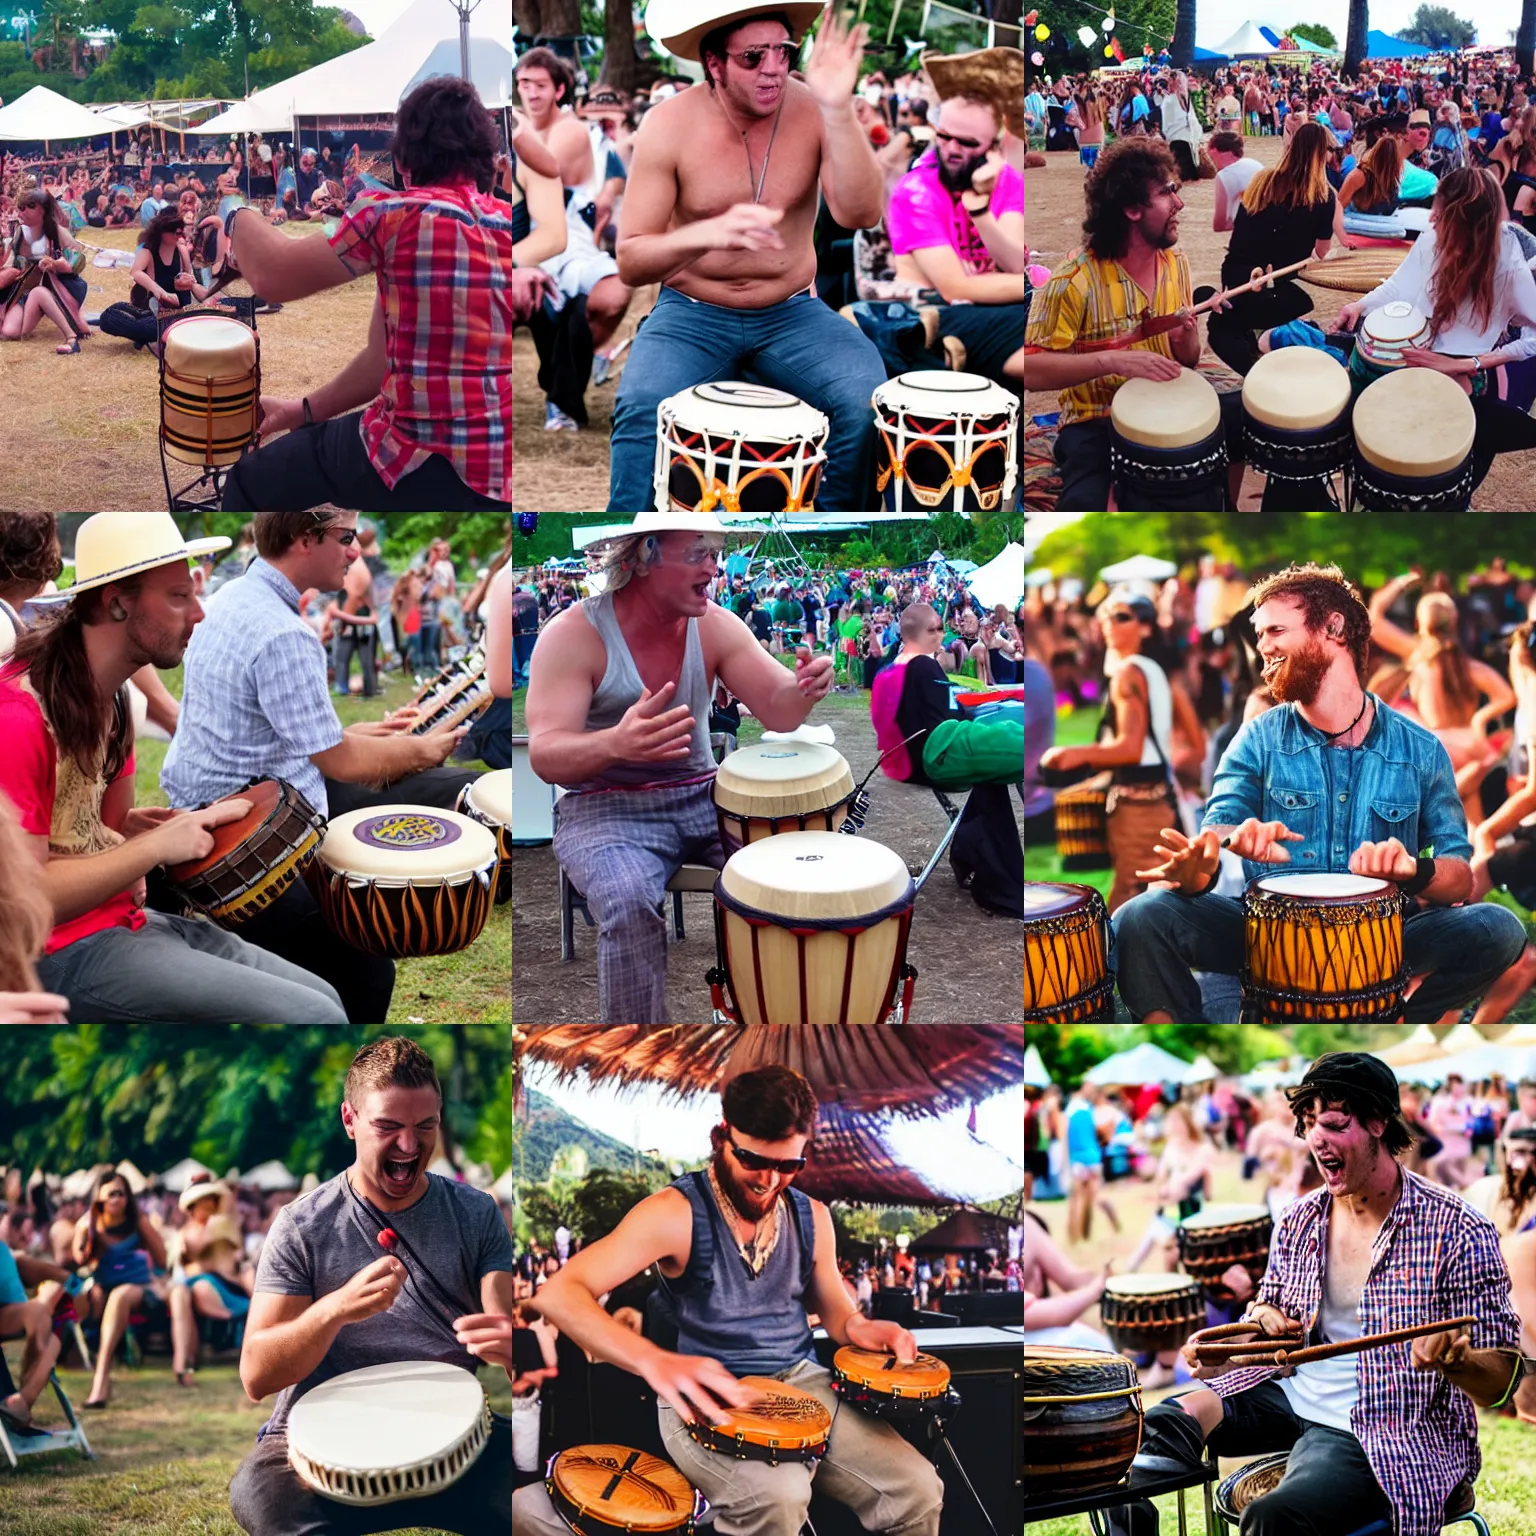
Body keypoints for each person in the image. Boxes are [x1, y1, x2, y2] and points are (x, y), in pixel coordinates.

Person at [513, 1065, 944, 1536]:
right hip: (702, 1393)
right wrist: (656, 1361)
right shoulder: (676, 1213)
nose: (769, 1180)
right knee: (777, 1499)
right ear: (722, 1137)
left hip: (804, 1384)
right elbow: (560, 1293)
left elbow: (840, 1315)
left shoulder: (812, 1217)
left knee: (918, 1490)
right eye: (753, 1160)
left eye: (788, 1166)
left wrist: (863, 1328)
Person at [1107, 1053, 1522, 1536]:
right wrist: (1259, 1318)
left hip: (1379, 1423)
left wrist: (1457, 1360)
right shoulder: (1301, 1217)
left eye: (1334, 1123)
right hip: (1289, 1392)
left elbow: (1502, 1381)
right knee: (1145, 1434)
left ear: (1378, 1123)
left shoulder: (1458, 1227)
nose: (1316, 1138)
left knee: (1274, 1518)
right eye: (1308, 1125)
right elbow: (1270, 1303)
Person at [1113, 562, 1527, 1024]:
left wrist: (1412, 868)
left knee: (1499, 927)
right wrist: (1204, 864)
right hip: (1265, 935)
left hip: (1385, 938)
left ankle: (1403, 1022)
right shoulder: (1259, 737)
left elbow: (1459, 878)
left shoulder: (1420, 749)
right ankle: (1180, 1044)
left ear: (1333, 628)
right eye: (1259, 633)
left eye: (1275, 630)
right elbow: (1218, 832)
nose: (1262, 645)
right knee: (1140, 916)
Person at [0, 512, 349, 1026]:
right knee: (313, 1017)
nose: (201, 614)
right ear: (117, 602)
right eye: (179, 597)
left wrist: (148, 828)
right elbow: (25, 903)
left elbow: (107, 828)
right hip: (56, 952)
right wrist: (155, 847)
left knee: (326, 998)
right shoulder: (18, 715)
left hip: (125, 921)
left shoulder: (115, 697)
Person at [158, 512, 488, 1025]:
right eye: (346, 537)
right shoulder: (284, 632)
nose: (356, 551)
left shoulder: (229, 600)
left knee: (437, 787)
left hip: (234, 805)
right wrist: (421, 748)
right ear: (304, 539)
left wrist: (371, 736)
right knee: (367, 971)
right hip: (245, 838)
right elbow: (339, 761)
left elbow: (283, 738)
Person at [524, 512, 834, 1023]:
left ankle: (785, 1023)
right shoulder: (573, 633)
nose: (714, 567)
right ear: (644, 555)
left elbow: (778, 707)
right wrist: (615, 744)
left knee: (802, 869)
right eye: (698, 553)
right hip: (604, 810)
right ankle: (640, 1056)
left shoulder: (714, 623)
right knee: (627, 905)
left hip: (704, 796)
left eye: (714, 553)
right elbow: (546, 754)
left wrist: (803, 690)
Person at [602, 0, 888, 513]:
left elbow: (860, 213)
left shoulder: (815, 110)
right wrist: (708, 233)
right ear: (714, 64)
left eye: (784, 52)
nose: (774, 69)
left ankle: (827, 527)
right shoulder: (668, 124)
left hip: (792, 311)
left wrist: (839, 108)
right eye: (754, 57)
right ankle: (630, 546)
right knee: (642, 406)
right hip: (690, 313)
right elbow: (632, 260)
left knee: (866, 399)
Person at [228, 1038, 514, 1536]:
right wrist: (332, 1310)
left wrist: (514, 1348)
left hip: (451, 1440)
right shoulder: (301, 1225)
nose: (409, 1146)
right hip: (314, 1446)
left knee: (538, 1490)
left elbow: (504, 1330)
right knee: (265, 1500)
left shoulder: (477, 1213)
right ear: (350, 1120)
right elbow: (256, 1375)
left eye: (425, 1126)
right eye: (388, 1127)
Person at [217, 78, 511, 511]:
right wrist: (303, 411)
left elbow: (271, 274)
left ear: (406, 156)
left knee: (250, 481)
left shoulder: (395, 215)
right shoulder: (509, 223)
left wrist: (230, 207)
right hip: (498, 471)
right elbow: (381, 360)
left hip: (414, 453)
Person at [1024, 136, 1245, 511]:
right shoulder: (1072, 281)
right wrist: (1113, 361)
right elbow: (1030, 371)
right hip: (1096, 417)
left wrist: (1186, 336)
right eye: (1166, 192)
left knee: (1238, 414)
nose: (1179, 203)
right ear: (1130, 209)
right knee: (1085, 506)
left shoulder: (1176, 264)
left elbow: (1187, 360)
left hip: (1169, 401)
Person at [1336, 166, 1536, 493]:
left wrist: (1467, 365)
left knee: (1434, 475)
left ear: (1465, 223)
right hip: (1417, 357)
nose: (1430, 220)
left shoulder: (1510, 267)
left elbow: (1532, 340)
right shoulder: (1432, 241)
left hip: (1466, 372)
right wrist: (1358, 307)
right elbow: (1399, 286)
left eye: (1439, 215)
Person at [1039, 590, 1201, 912]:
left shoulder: (1128, 673)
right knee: (1152, 888)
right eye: (1105, 615)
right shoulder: (1156, 672)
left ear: (1146, 628)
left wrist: (1075, 755)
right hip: (1161, 798)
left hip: (1139, 804)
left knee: (1133, 890)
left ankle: (1117, 960)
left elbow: (1130, 748)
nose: (1109, 623)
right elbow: (1196, 743)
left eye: (1122, 616)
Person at [515, 48, 635, 430]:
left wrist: (605, 197)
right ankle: (561, 388)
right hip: (524, 243)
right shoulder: (522, 129)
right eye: (523, 84)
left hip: (568, 243)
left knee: (609, 295)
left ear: (560, 89)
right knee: (553, 309)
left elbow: (549, 169)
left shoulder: (570, 130)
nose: (531, 93)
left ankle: (561, 387)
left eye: (540, 85)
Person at [886, 88, 1026, 402]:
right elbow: (954, 287)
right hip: (929, 320)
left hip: (993, 310)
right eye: (945, 136)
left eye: (967, 142)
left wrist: (979, 210)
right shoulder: (916, 190)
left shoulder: (1008, 182)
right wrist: (1028, 287)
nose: (951, 148)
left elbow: (1015, 262)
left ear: (994, 147)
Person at [1204, 121, 1348, 381]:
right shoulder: (1324, 195)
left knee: (1243, 312)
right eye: (1328, 150)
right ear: (1320, 153)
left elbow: (1242, 225)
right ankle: (1259, 337)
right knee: (1301, 302)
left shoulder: (1263, 180)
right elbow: (1322, 251)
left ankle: (1246, 332)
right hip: (1274, 281)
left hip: (1237, 270)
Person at [1368, 573, 1515, 825]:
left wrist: (1402, 581)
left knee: (1446, 811)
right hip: (1471, 745)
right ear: (1454, 620)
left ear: (1419, 622)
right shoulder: (1468, 664)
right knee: (1471, 815)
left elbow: (1375, 617)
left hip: (1439, 744)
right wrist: (1480, 720)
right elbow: (1506, 695)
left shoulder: (1417, 654)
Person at [869, 600, 1023, 790]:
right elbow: (949, 715)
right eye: (937, 630)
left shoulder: (884, 673)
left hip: (896, 763)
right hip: (931, 757)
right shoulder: (923, 665)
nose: (941, 636)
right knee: (1012, 735)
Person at [73, 1169, 168, 1408]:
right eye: (111, 1194)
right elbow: (78, 1259)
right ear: (99, 1199)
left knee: (119, 1296)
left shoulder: (138, 1221)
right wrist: (88, 1232)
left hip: (138, 1288)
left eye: (122, 1193)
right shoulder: (88, 1224)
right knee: (78, 1296)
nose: (117, 1199)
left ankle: (100, 1379)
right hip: (102, 1288)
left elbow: (162, 1258)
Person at [168, 1177, 251, 1387]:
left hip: (222, 1285)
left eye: (210, 1200)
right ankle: (182, 1364)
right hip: (195, 1285)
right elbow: (182, 1260)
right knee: (181, 1294)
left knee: (191, 1291)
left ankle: (185, 1365)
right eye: (202, 1201)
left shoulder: (223, 1224)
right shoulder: (187, 1232)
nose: (207, 1205)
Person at [0, 189, 88, 354]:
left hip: (55, 289)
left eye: (30, 206)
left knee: (39, 292)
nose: (23, 211)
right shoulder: (20, 234)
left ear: (44, 210)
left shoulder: (56, 232)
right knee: (8, 332)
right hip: (23, 291)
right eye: (21, 206)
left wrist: (57, 265)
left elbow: (78, 258)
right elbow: (10, 264)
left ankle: (71, 337)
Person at [1208, 130, 1263, 232]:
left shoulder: (1225, 175)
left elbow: (1219, 225)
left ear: (1215, 151)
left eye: (1212, 158)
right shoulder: (1254, 163)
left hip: (1250, 232)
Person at [1160, 72, 1203, 181]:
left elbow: (1167, 121)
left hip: (1177, 137)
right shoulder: (1185, 97)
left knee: (1181, 171)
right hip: (1187, 136)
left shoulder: (1170, 100)